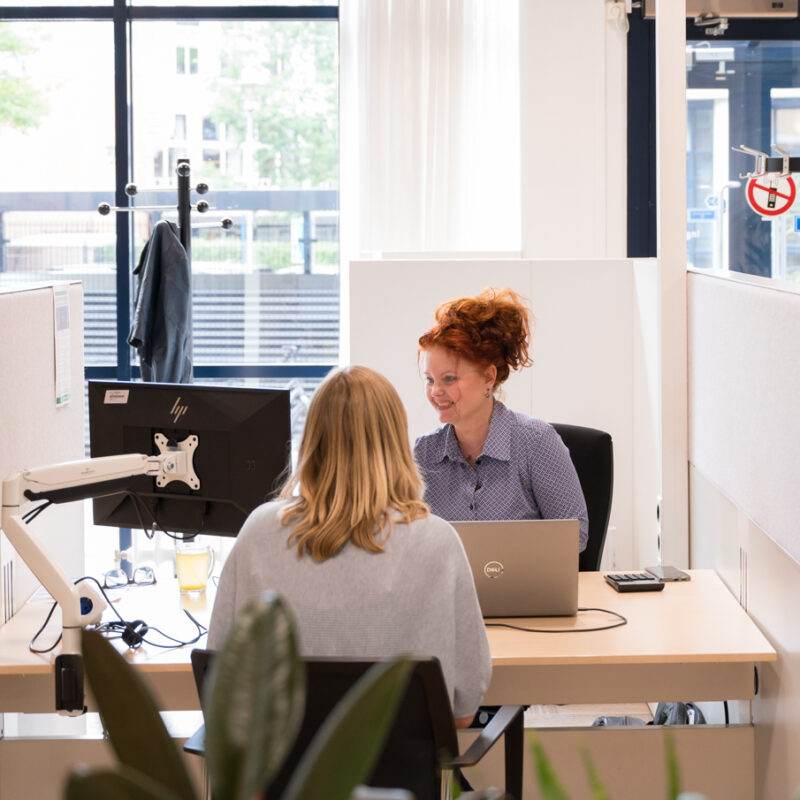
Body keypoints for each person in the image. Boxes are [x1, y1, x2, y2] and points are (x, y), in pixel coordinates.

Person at [208, 365, 491, 727]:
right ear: (395, 442)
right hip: (402, 780)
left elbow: (220, 680)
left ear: (311, 439)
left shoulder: (260, 531)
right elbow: (463, 710)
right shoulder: (437, 541)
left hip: (283, 781)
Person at [414, 287, 589, 552]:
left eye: (449, 379)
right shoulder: (424, 453)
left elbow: (574, 537)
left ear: (488, 377)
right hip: (454, 592)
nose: (436, 391)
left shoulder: (536, 443)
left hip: (527, 590)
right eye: (430, 380)